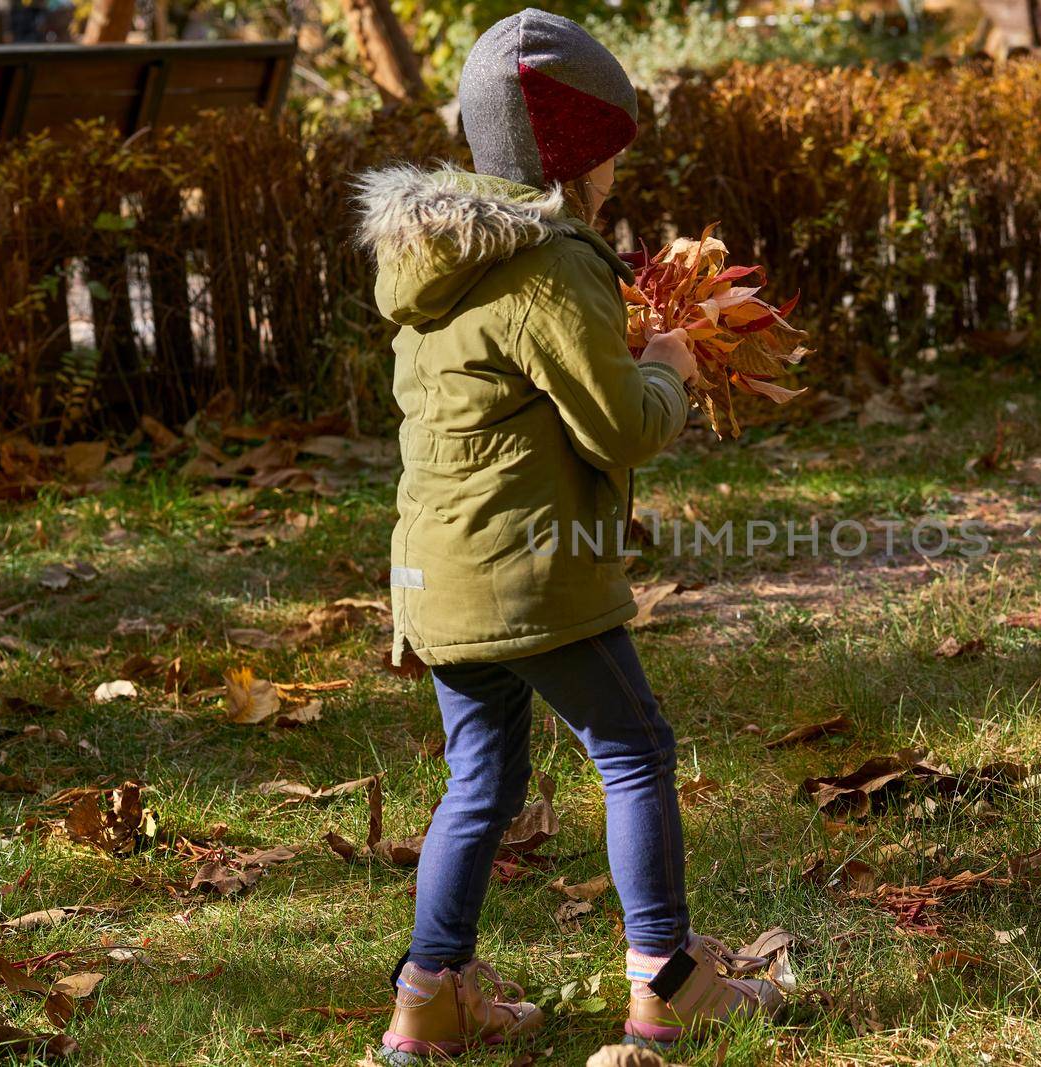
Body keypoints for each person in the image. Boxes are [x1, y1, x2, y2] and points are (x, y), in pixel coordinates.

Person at [354, 9, 782, 1061]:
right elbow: (618, 423)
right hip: (528, 569)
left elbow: (506, 390)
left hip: (438, 573)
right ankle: (668, 979)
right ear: (576, 155)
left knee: (480, 781)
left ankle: (428, 996)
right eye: (611, 156)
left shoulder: (439, 256)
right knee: (632, 748)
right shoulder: (552, 258)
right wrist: (669, 368)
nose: (618, 180)